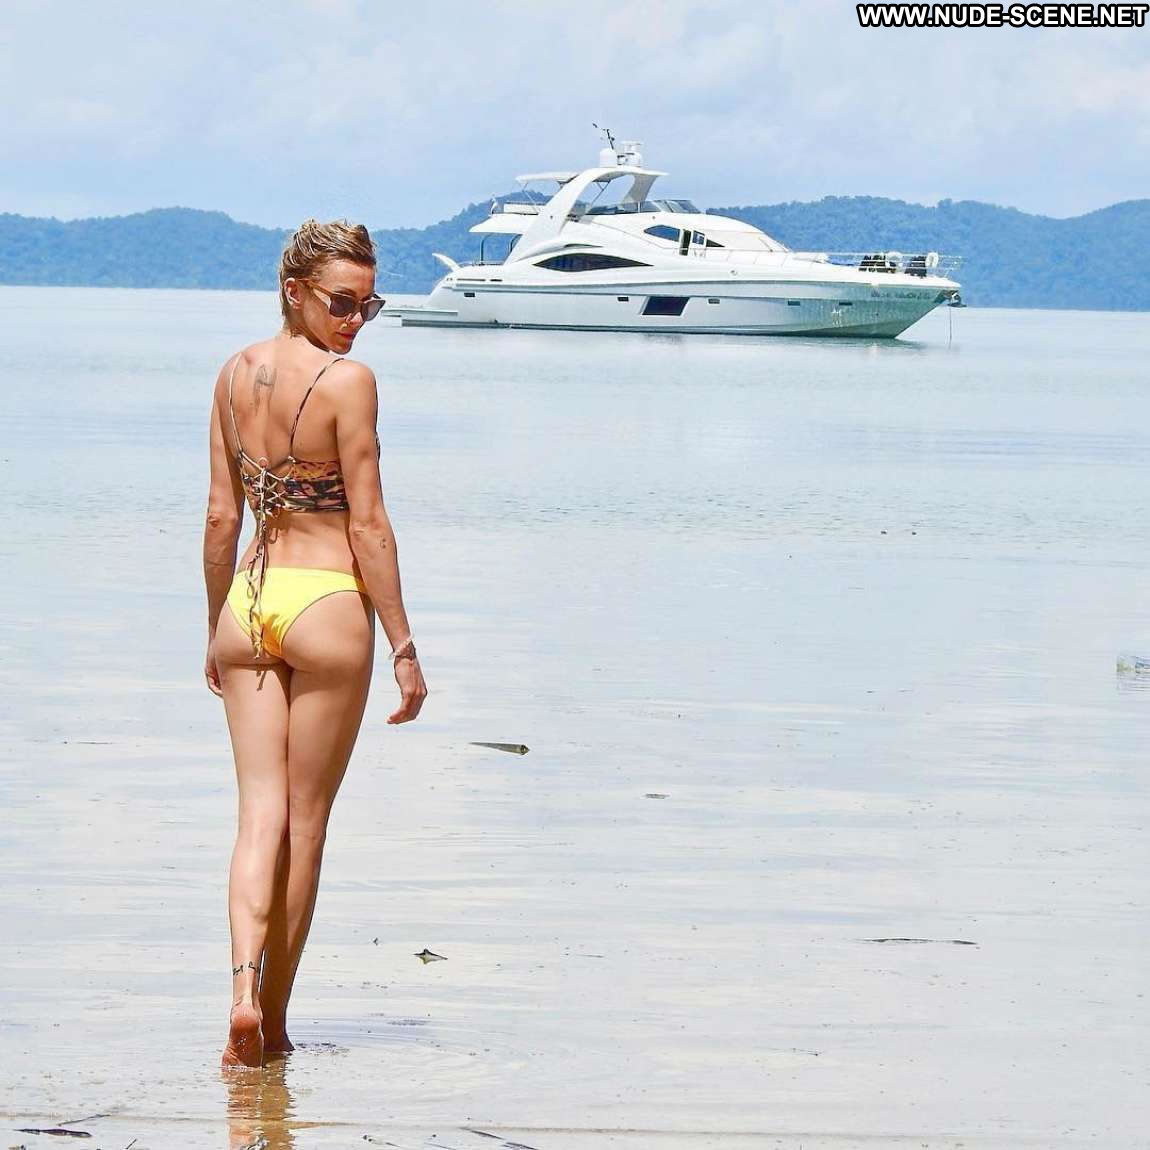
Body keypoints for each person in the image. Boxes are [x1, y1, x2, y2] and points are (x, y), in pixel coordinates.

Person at [202, 219, 427, 1068]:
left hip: (251, 602)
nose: (356, 320)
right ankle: (272, 1021)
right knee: (306, 822)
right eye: (341, 302)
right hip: (326, 601)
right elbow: (367, 524)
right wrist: (403, 642)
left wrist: (215, 626)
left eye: (369, 304)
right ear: (294, 291)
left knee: (257, 816)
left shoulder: (232, 374)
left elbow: (221, 519)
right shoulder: (348, 383)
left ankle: (237, 991)